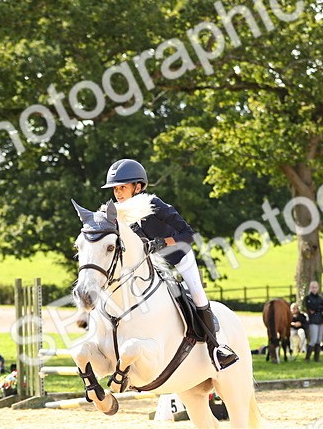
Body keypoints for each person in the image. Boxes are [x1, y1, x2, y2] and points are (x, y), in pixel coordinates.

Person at [101, 158, 238, 370]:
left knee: (197, 294)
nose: (118, 193)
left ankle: (216, 349)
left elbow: (188, 234)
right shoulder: (119, 214)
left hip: (178, 257)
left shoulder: (155, 205)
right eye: (115, 189)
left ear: (137, 187)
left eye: (122, 187)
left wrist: (163, 242)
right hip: (152, 266)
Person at [302, 281, 323, 361]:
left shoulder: (320, 298)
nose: (314, 289)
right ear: (310, 288)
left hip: (320, 320)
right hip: (313, 321)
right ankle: (307, 357)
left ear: (318, 288)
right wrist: (318, 308)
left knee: (319, 340)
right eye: (313, 287)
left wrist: (318, 309)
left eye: (315, 287)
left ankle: (317, 358)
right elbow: (311, 308)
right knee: (313, 339)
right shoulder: (308, 298)